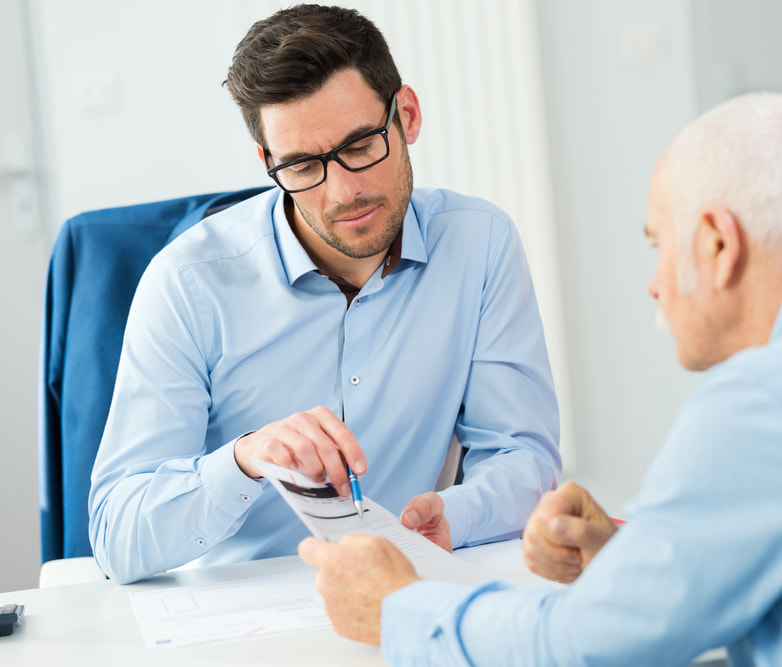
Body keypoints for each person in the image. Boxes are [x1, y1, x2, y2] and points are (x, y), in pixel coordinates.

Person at [298, 91, 782, 665]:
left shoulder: (770, 402)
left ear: (718, 244)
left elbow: (584, 647)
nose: (655, 285)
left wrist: (397, 608)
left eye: (659, 245)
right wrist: (643, 556)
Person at [88, 4, 561, 584]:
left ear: (406, 116)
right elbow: (118, 536)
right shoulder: (187, 284)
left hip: (411, 590)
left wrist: (452, 515)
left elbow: (524, 457)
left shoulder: (480, 244)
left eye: (361, 144)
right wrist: (245, 459)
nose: (344, 192)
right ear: (269, 163)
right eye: (304, 165)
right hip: (244, 619)